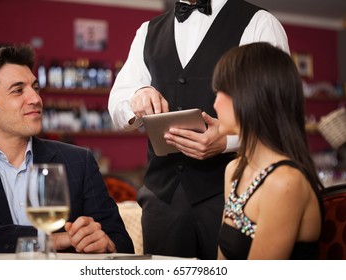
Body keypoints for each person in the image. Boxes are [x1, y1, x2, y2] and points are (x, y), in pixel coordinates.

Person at [108, 0, 289, 259]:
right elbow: (117, 103)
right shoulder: (147, 31)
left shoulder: (260, 22)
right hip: (162, 198)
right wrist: (138, 94)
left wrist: (227, 142)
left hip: (231, 194)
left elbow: (278, 113)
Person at [0, 44, 134, 254]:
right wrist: (50, 240)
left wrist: (106, 243)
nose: (35, 99)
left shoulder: (79, 162)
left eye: (35, 88)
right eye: (18, 90)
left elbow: (123, 243)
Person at [213, 42, 324, 259]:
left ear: (249, 97)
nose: (215, 103)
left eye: (221, 92)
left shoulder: (284, 182)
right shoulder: (234, 169)